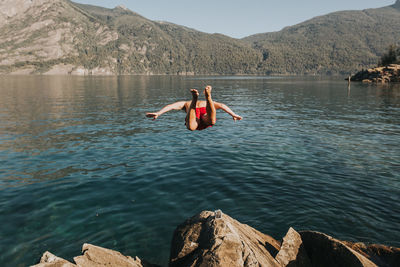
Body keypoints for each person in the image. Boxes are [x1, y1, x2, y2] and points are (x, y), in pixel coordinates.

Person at [146, 85, 242, 131]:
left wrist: (159, 113)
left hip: (192, 111)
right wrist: (233, 114)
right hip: (205, 110)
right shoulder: (191, 104)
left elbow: (171, 106)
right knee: (212, 121)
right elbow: (222, 106)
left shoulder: (184, 103)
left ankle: (194, 99)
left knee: (191, 127)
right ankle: (208, 97)